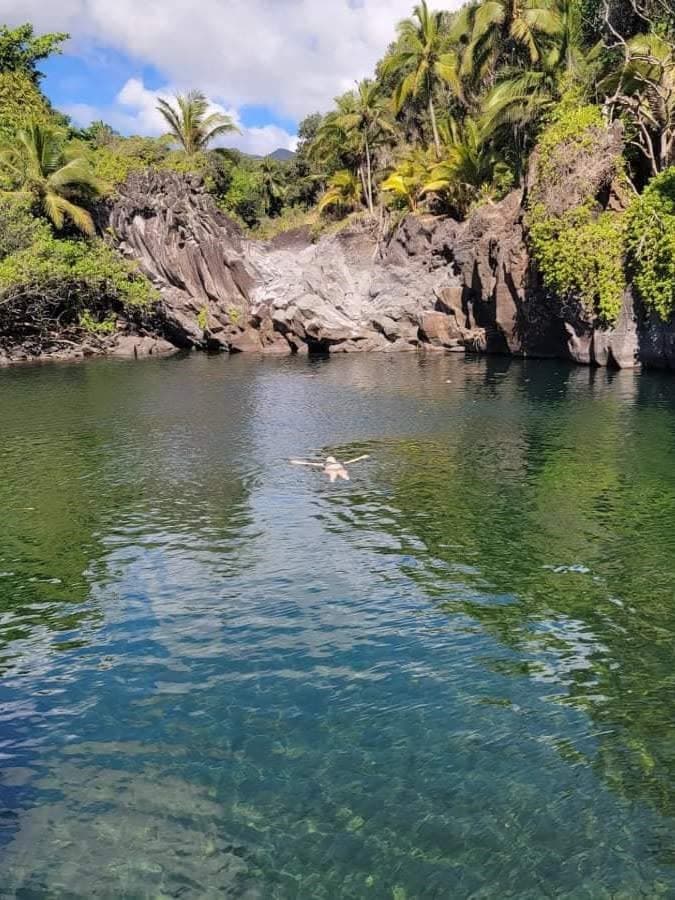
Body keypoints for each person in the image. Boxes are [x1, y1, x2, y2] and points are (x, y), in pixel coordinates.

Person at [290, 455, 370, 483]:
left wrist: (297, 462)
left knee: (333, 476)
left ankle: (332, 482)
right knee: (345, 476)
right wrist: (362, 457)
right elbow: (352, 461)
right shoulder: (340, 462)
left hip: (331, 470)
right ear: (334, 460)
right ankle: (348, 480)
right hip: (339, 468)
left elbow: (309, 463)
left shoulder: (324, 464)